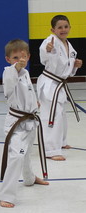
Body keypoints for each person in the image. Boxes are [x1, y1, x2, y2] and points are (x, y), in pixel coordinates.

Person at [0, 39, 49, 208]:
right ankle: (6, 195)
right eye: (15, 58)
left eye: (23, 57)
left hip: (29, 119)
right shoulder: (8, 72)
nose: (20, 60)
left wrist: (35, 104)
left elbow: (28, 91)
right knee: (16, 156)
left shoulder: (26, 73)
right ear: (8, 59)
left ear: (28, 56)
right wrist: (16, 67)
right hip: (16, 124)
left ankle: (29, 178)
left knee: (27, 152)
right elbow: (10, 87)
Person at [37, 15, 83, 161]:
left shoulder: (70, 47)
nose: (63, 30)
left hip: (59, 84)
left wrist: (75, 65)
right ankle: (50, 150)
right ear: (53, 29)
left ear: (70, 27)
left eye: (66, 27)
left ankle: (61, 142)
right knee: (50, 116)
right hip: (50, 84)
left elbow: (67, 66)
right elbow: (44, 56)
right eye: (60, 27)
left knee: (61, 116)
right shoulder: (49, 42)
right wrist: (48, 50)